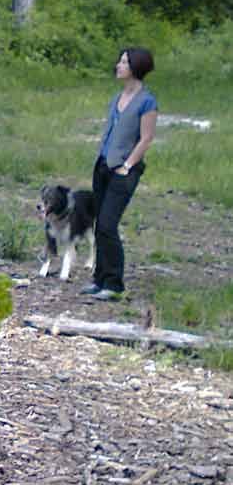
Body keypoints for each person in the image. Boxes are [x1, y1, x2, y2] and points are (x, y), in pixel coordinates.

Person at [83, 47, 157, 301]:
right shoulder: (116, 97)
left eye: (124, 62)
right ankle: (99, 278)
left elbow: (146, 138)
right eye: (120, 61)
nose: (119, 65)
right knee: (99, 224)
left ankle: (114, 283)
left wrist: (128, 165)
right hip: (103, 165)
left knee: (107, 224)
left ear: (136, 67)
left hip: (123, 171)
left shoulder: (147, 101)